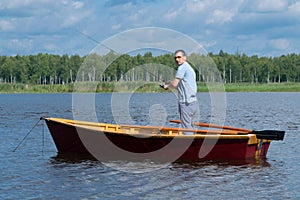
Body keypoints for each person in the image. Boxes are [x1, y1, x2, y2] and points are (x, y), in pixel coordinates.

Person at [163, 49, 199, 134]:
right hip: (193, 102)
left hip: (186, 103)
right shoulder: (188, 67)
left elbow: (175, 84)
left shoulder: (182, 68)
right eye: (175, 58)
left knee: (186, 128)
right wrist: (169, 84)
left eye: (179, 57)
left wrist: (167, 86)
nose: (177, 59)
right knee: (191, 126)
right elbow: (180, 85)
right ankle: (194, 143)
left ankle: (190, 145)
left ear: (184, 58)